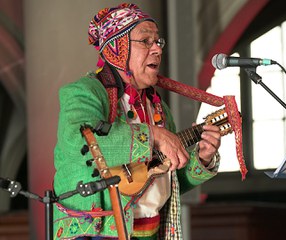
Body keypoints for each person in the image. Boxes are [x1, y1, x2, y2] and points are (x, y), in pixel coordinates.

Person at [53, 3, 222, 239]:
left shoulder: (157, 108)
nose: (157, 50)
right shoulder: (84, 92)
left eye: (158, 42)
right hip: (97, 233)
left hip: (151, 232)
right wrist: (154, 135)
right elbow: (77, 142)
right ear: (117, 48)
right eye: (146, 41)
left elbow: (163, 179)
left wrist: (202, 159)